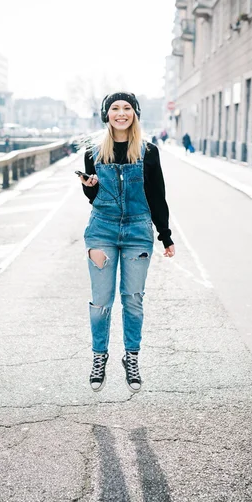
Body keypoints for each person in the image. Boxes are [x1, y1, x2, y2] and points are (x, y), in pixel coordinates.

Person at [78, 92, 175, 394]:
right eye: (115, 109)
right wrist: (89, 188)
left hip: (137, 232)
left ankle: (131, 357)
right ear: (106, 114)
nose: (122, 113)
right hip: (102, 230)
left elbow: (157, 195)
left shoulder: (148, 151)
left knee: (133, 298)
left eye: (127, 108)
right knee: (101, 301)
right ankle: (99, 356)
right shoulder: (93, 152)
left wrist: (165, 235)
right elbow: (94, 199)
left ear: (135, 114)